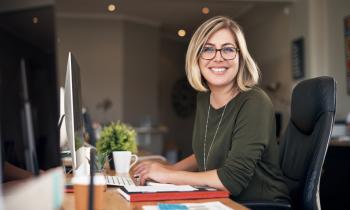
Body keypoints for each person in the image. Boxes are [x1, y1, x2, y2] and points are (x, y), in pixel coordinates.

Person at [133, 16, 290, 202]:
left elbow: (232, 180)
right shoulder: (204, 99)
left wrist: (167, 176)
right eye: (208, 49)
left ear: (240, 56)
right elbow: (204, 154)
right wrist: (167, 169)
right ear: (196, 58)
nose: (218, 57)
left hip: (258, 204)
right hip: (217, 200)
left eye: (228, 49)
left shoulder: (255, 102)